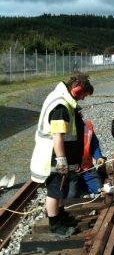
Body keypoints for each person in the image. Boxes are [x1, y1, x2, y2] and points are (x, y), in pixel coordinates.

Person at [30, 74, 94, 237]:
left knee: (62, 189)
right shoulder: (60, 107)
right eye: (83, 96)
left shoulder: (63, 99)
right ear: (77, 89)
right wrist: (61, 160)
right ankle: (54, 224)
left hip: (59, 155)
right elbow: (57, 135)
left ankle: (60, 215)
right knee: (54, 192)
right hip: (52, 156)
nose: (83, 99)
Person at [67, 119, 107, 198]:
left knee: (98, 188)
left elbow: (94, 144)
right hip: (70, 171)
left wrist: (98, 157)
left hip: (86, 168)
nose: (80, 115)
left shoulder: (87, 126)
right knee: (71, 195)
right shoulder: (63, 128)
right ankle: (78, 184)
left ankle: (82, 184)